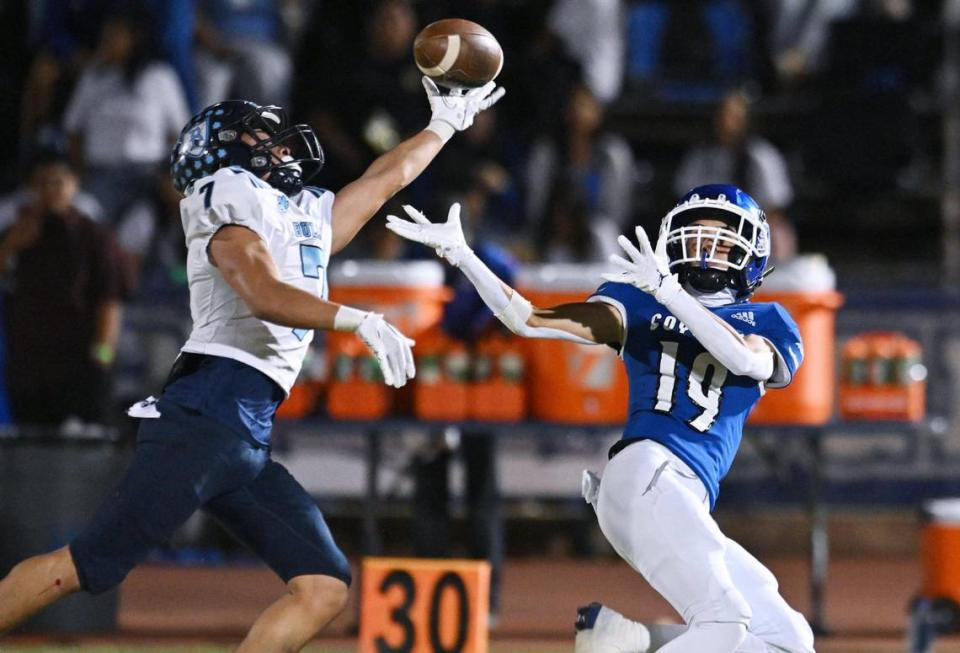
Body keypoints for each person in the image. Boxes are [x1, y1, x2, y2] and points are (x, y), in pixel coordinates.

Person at [0, 73, 503, 650]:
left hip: (246, 427)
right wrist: (355, 319)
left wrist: (442, 126)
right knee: (87, 565)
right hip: (206, 413)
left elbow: (386, 178)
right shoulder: (224, 192)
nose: (283, 145)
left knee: (324, 586)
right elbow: (261, 291)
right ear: (222, 152)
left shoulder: (302, 212)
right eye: (262, 136)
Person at [385, 184, 814, 653]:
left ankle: (632, 641)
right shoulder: (640, 302)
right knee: (723, 621)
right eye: (697, 237)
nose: (707, 252)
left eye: (721, 241)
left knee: (787, 639)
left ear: (750, 253)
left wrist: (671, 295)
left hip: (680, 493)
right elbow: (529, 319)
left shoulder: (766, 320)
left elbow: (743, 360)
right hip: (649, 474)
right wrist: (465, 257)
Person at [0, 148, 125, 427]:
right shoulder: (16, 233)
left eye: (57, 181)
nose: (50, 190)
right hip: (29, 369)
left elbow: (109, 300)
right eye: (41, 183)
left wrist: (103, 355)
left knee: (82, 447)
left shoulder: (95, 238)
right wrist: (9, 246)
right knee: (31, 451)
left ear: (74, 183)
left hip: (80, 365)